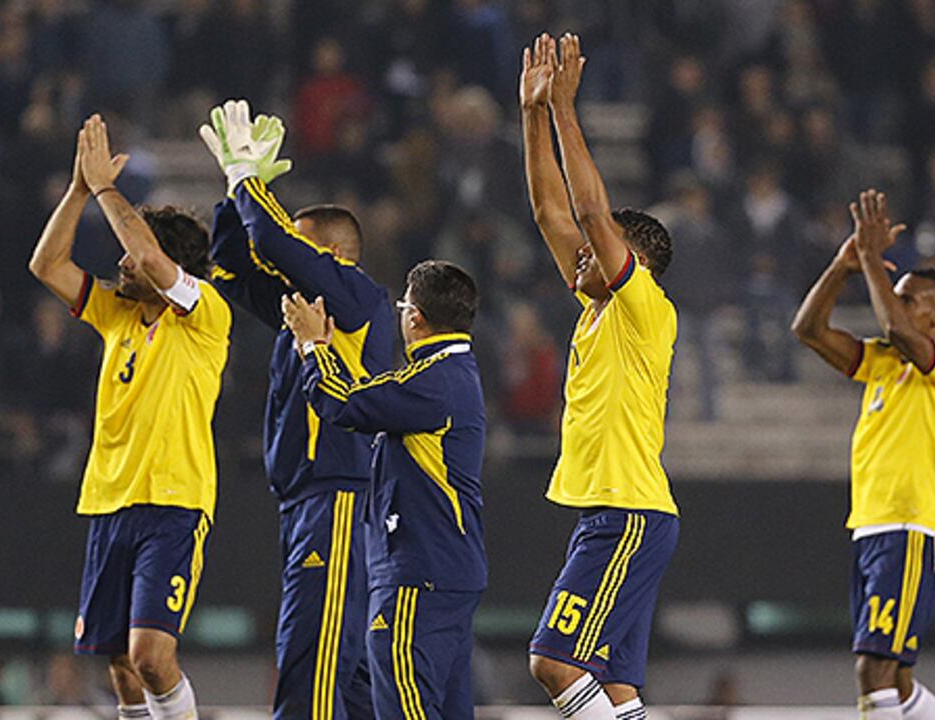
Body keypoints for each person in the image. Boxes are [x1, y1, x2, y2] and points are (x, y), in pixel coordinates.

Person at [27, 113, 230, 720]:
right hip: (110, 499)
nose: (122, 262)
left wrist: (107, 190)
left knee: (150, 656)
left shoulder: (204, 315)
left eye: (134, 256)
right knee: (118, 662)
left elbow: (145, 252)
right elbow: (47, 265)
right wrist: (78, 191)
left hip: (173, 501)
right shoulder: (116, 314)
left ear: (169, 264)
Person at [200, 99, 395, 719]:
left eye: (300, 250)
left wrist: (246, 178)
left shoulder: (356, 298)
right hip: (308, 501)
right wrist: (233, 197)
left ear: (333, 254)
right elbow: (230, 269)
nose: (283, 263)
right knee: (350, 677)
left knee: (310, 663)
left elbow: (271, 241)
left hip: (337, 498)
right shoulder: (302, 313)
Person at [521, 33, 679, 720]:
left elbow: (587, 211)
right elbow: (551, 213)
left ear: (631, 262)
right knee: (616, 691)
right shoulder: (598, 309)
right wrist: (531, 112)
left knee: (553, 662)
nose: (582, 250)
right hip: (621, 512)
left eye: (600, 246)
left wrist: (564, 108)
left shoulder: (643, 305)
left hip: (627, 515)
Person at [283, 260, 486, 720]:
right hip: (448, 574)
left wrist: (313, 346)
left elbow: (342, 403)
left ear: (415, 318)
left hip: (416, 574)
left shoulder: (433, 381)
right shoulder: (454, 374)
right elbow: (368, 394)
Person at [791, 190, 935, 720]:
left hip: (910, 525)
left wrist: (869, 259)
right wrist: (842, 266)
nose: (893, 302)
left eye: (907, 297)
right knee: (898, 678)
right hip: (871, 525)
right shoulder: (883, 362)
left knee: (873, 669)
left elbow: (894, 328)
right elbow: (808, 330)